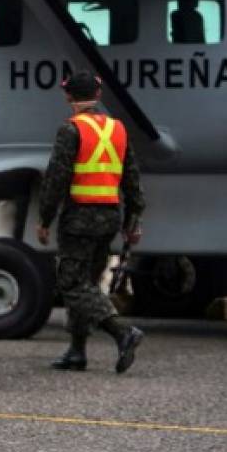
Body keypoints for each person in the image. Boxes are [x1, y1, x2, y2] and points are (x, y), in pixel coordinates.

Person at [36, 72, 145, 374]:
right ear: (97, 96)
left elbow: (56, 179)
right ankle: (76, 350)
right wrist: (134, 219)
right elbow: (132, 178)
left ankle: (122, 333)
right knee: (88, 284)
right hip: (110, 217)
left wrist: (44, 218)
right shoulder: (118, 129)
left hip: (79, 219)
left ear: (69, 97)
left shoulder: (70, 130)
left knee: (72, 282)